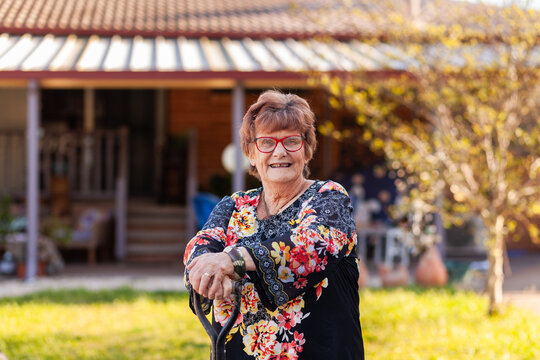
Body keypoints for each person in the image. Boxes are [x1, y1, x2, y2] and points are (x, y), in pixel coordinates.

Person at [184, 90, 364, 360]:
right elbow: (199, 249)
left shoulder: (328, 197)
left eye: (291, 141)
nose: (279, 151)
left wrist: (232, 260)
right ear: (251, 154)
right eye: (266, 143)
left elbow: (310, 247)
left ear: (307, 149)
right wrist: (206, 273)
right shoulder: (233, 206)